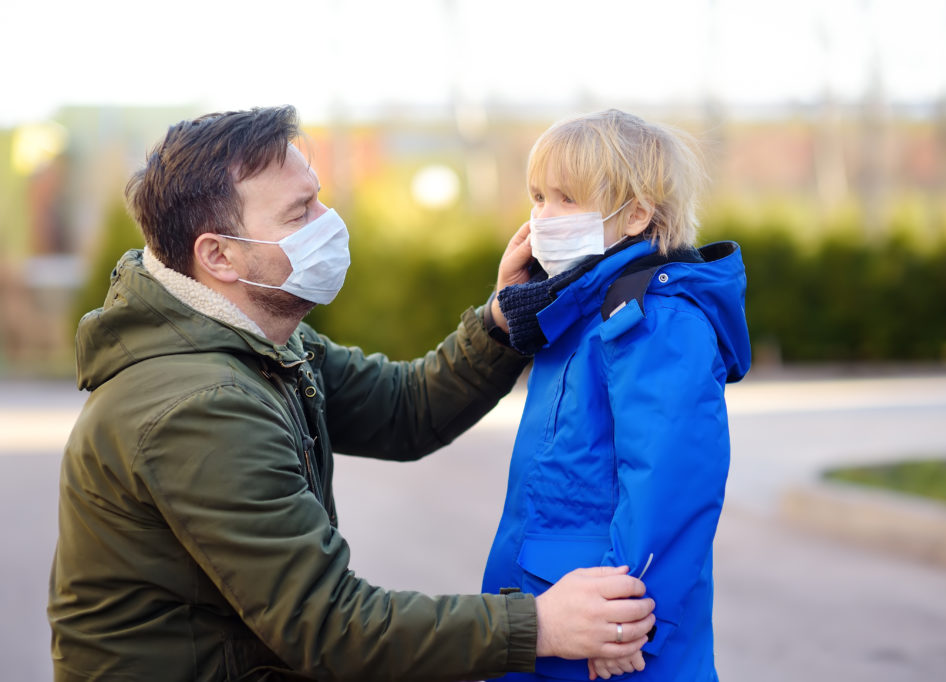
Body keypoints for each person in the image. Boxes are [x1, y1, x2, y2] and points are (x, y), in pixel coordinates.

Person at [47, 105, 657, 682]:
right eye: (299, 213)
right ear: (219, 256)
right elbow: (330, 626)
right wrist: (542, 624)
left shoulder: (258, 343)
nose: (328, 224)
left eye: (317, 198)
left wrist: (501, 323)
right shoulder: (200, 405)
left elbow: (403, 410)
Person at [480, 110, 751, 681]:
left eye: (566, 199)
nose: (542, 219)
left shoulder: (658, 324)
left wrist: (626, 626)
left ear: (635, 214)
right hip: (552, 620)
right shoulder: (575, 313)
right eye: (537, 197)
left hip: (610, 641)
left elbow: (669, 489)